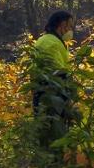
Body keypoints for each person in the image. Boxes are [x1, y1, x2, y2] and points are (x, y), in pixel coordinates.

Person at [29, 10, 78, 151]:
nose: (70, 30)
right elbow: (59, 74)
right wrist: (69, 97)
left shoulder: (42, 40)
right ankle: (56, 166)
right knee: (56, 135)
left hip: (39, 94)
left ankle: (45, 166)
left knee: (43, 133)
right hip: (54, 95)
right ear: (62, 24)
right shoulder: (54, 43)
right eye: (69, 26)